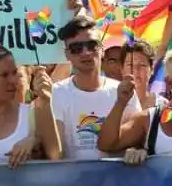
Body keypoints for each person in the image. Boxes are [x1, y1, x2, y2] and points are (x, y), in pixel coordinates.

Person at [51, 16, 141, 160]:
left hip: (116, 180)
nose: (85, 52)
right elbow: (56, 152)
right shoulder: (57, 92)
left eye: (92, 45)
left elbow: (137, 139)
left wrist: (137, 151)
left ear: (102, 49)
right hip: (73, 180)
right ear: (67, 55)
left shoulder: (124, 91)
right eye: (76, 48)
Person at [119, 38, 167, 109]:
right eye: (130, 65)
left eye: (142, 65)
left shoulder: (163, 106)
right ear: (122, 69)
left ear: (152, 69)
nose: (135, 70)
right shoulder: (110, 102)